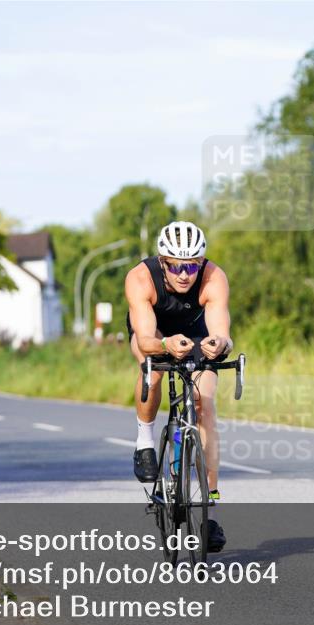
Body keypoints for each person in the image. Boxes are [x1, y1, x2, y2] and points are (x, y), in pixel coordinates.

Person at [124, 221, 233, 552]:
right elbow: (144, 339)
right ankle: (144, 439)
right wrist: (165, 345)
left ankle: (209, 503)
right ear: (162, 262)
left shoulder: (214, 277)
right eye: (177, 266)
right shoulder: (140, 278)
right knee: (153, 372)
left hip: (197, 332)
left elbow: (222, 332)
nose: (185, 274)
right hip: (155, 333)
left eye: (192, 265)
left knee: (203, 402)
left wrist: (219, 345)